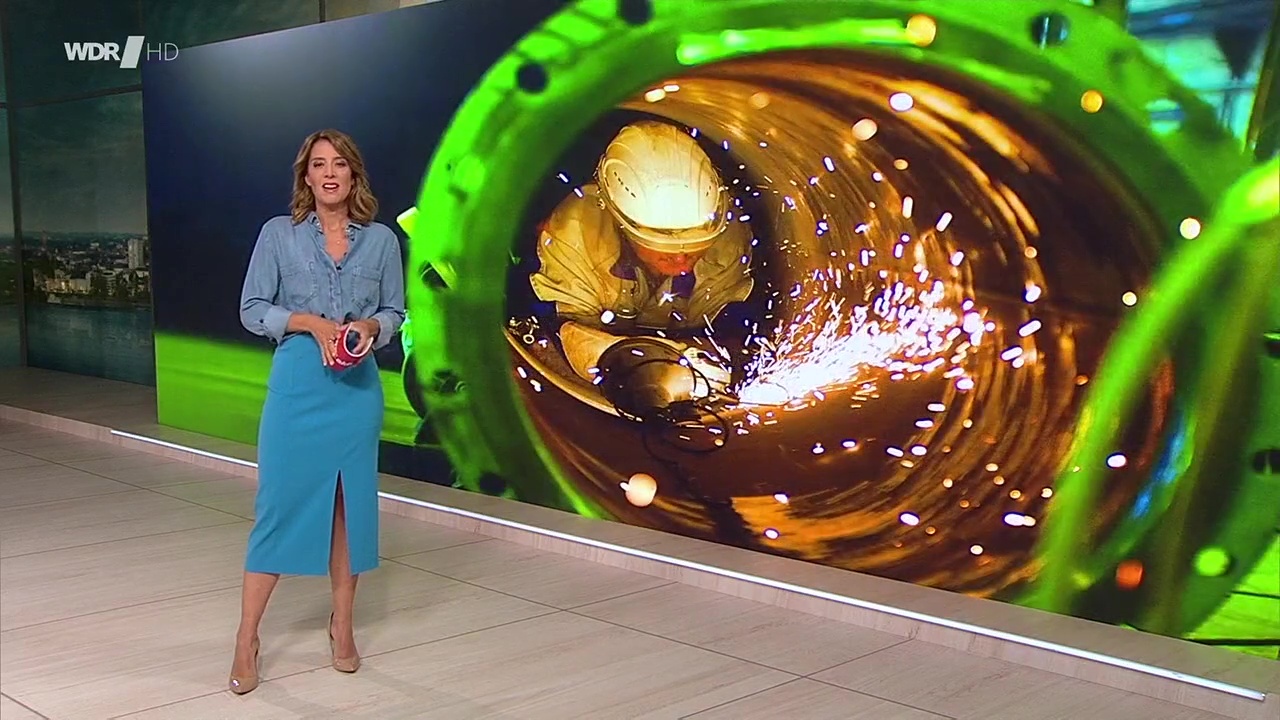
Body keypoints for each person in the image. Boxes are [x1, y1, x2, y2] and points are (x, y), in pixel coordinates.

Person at [230, 128, 405, 695]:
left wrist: (371, 325)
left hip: (355, 393)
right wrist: (308, 322)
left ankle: (343, 627)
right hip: (297, 386)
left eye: (340, 164)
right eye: (319, 164)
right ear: (305, 176)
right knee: (277, 509)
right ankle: (247, 638)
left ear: (354, 175)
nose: (330, 174)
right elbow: (252, 308)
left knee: (348, 512)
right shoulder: (277, 234)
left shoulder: (381, 241)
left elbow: (396, 311)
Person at [530, 120, 754, 410]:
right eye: (663, 245)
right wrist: (643, 366)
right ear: (622, 223)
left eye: (694, 245)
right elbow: (565, 332)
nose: (681, 258)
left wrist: (701, 363)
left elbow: (731, 332)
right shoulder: (575, 230)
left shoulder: (729, 237)